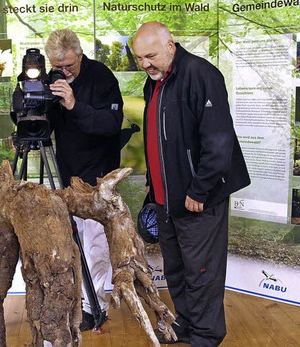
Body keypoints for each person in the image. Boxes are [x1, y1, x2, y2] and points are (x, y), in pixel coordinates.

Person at [132, 22, 250, 346]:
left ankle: (206, 335)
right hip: (166, 199)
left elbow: (219, 142)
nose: (145, 64)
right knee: (177, 269)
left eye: (151, 56)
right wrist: (152, 185)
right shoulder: (154, 82)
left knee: (201, 273)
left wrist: (200, 190)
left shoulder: (201, 75)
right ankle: (185, 324)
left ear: (170, 45)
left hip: (197, 199)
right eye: (140, 58)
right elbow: (160, 140)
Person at [43, 29, 124, 331]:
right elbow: (43, 119)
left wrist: (74, 103)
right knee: (71, 244)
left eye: (68, 66)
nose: (63, 72)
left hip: (97, 176)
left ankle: (95, 307)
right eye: (57, 66)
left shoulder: (101, 77)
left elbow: (111, 124)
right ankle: (76, 300)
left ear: (79, 54)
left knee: (94, 244)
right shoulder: (53, 78)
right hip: (66, 176)